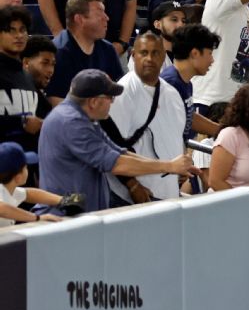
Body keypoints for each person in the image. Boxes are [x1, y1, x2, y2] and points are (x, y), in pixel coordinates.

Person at [38, 69, 196, 214]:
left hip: (79, 213)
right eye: (110, 97)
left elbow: (120, 152)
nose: (113, 102)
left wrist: (173, 165)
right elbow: (117, 164)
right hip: (64, 217)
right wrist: (169, 166)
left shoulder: (84, 119)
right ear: (94, 102)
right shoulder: (71, 123)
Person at [103, 33, 187, 205]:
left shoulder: (172, 94)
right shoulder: (123, 91)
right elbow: (112, 146)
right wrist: (133, 186)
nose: (149, 58)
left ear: (164, 57)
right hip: (132, 197)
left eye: (155, 53)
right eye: (144, 53)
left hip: (167, 192)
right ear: (133, 55)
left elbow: (176, 135)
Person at [48, 0, 123, 105]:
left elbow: (120, 92)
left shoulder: (108, 50)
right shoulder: (58, 53)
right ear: (79, 19)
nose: (106, 18)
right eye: (100, 13)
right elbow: (56, 102)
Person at [162, 24, 224, 140]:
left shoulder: (185, 83)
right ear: (195, 53)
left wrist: (222, 130)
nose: (212, 60)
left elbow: (189, 116)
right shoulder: (170, 84)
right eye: (209, 53)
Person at [0, 6, 39, 156]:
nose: (19, 36)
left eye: (23, 30)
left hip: (28, 163)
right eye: (11, 30)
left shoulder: (27, 76)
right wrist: (20, 123)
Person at [0, 142, 67, 225]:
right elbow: (2, 209)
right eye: (26, 167)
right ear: (18, 177)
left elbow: (29, 194)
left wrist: (66, 200)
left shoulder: (9, 190)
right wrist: (37, 218)